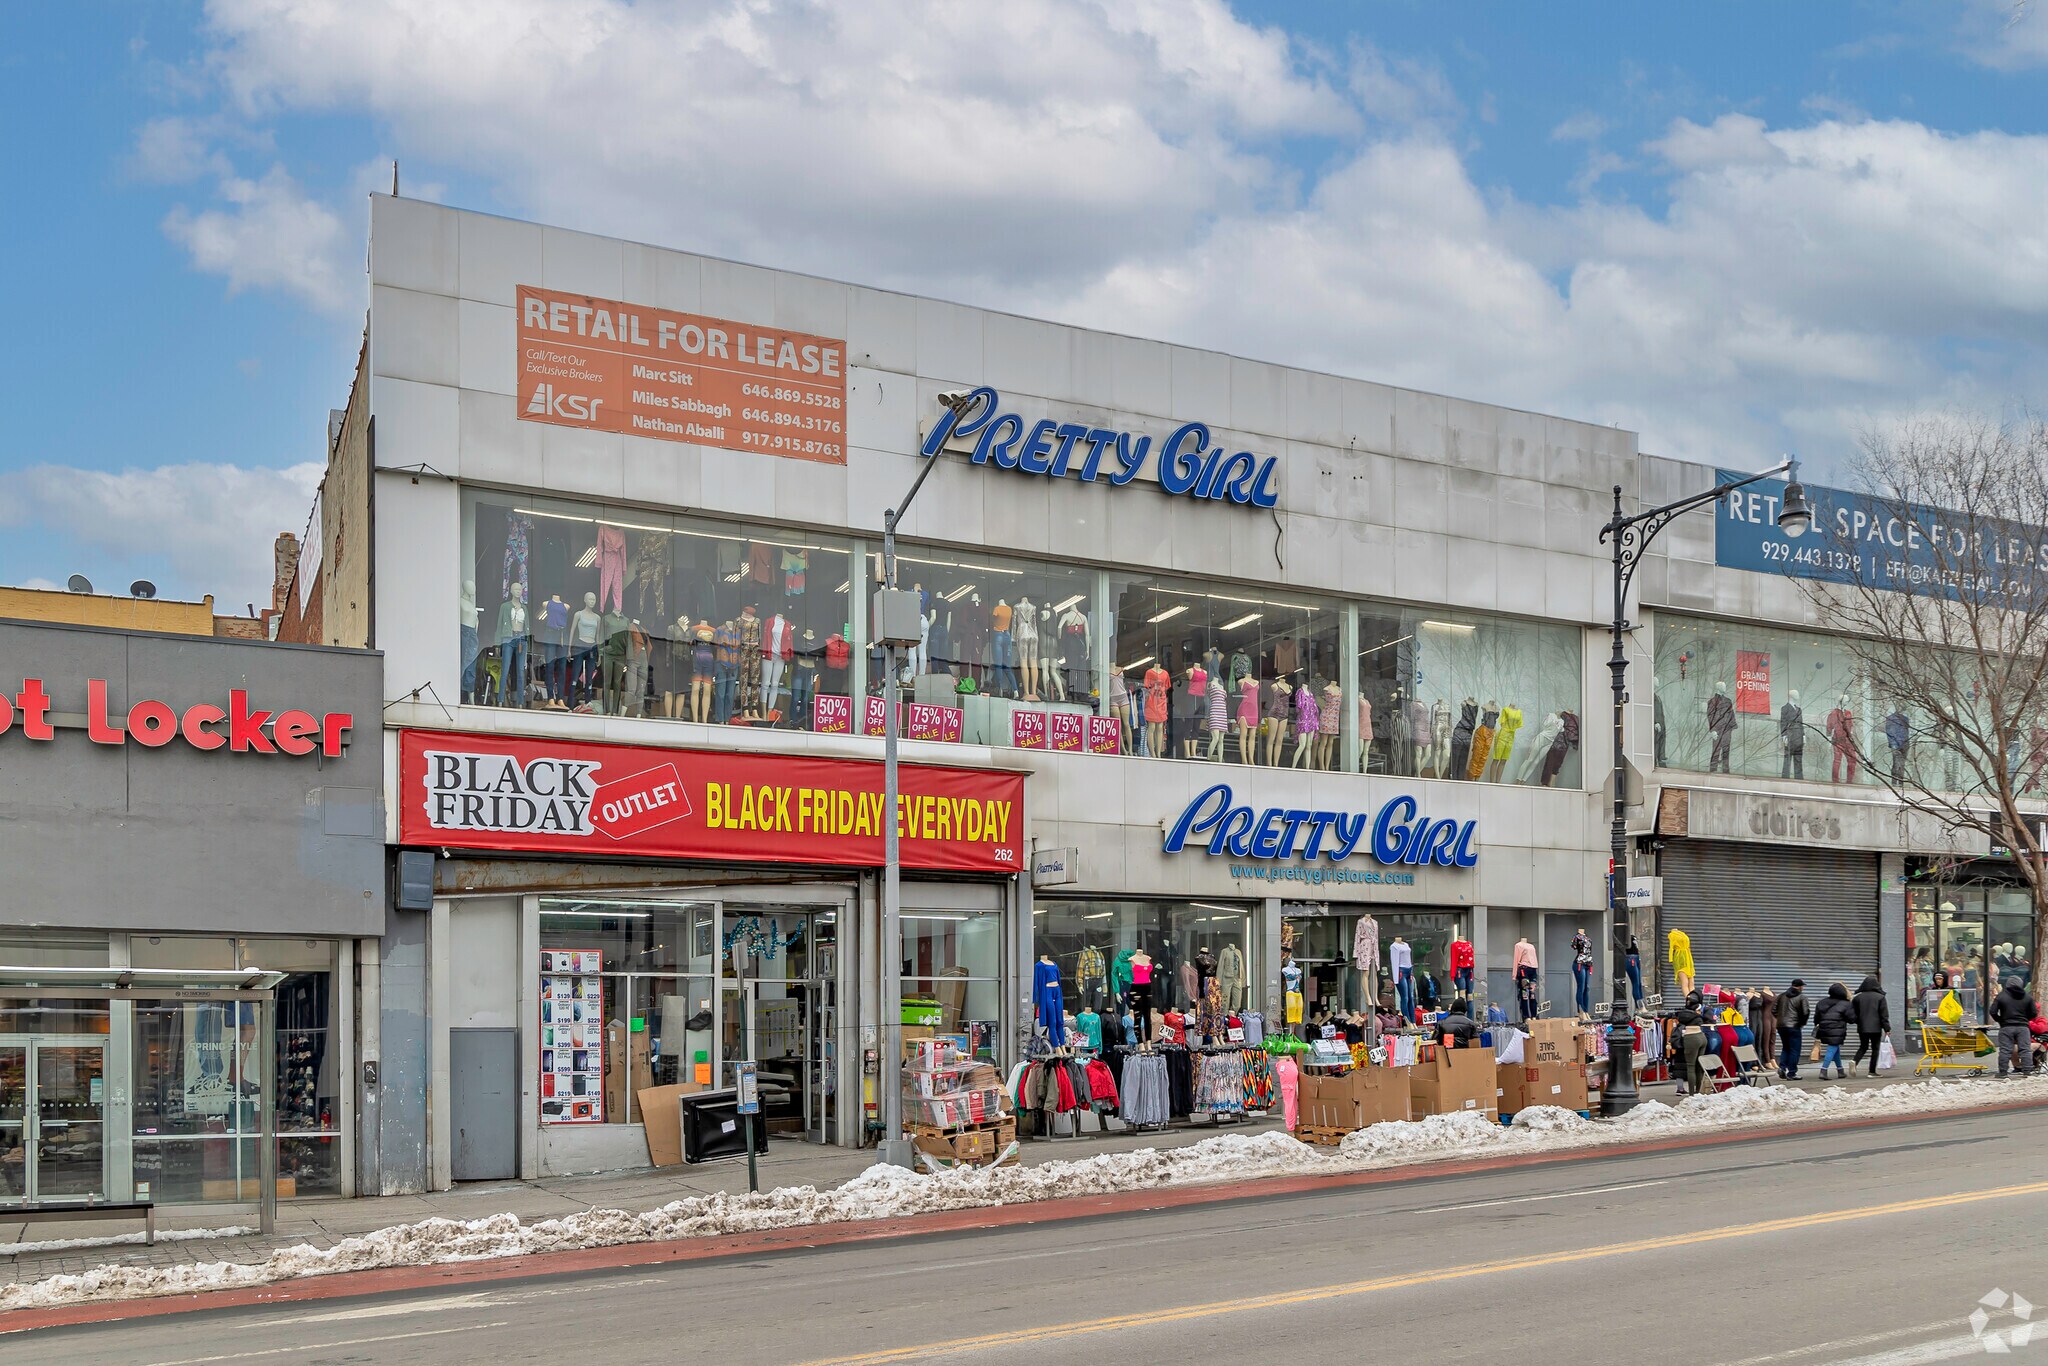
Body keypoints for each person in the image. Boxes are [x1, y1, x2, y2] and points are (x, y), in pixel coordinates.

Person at [1989, 975, 2039, 1078]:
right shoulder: (2027, 997)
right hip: (2023, 1028)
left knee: (2005, 1050)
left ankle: (2003, 1072)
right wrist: (2025, 1020)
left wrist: (2001, 1020)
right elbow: (2034, 1013)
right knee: (2025, 1049)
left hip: (2006, 1027)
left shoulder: (2002, 996)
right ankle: (2027, 1071)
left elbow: (1992, 1011)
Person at [1813, 982, 1855, 1080]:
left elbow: (1816, 1018)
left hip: (1823, 1029)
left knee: (1835, 1049)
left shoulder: (1821, 1002)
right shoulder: (1846, 1004)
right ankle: (1823, 1070)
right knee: (1832, 1048)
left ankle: (1840, 1071)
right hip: (1837, 1029)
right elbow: (1851, 1019)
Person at [1670, 991, 1709, 1095]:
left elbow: (1681, 1021)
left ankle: (1692, 1094)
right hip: (1702, 1036)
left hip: (1691, 1037)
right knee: (1699, 1066)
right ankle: (1698, 1092)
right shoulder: (1700, 1012)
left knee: (1690, 1066)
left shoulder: (1683, 1014)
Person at [1850, 975, 1891, 1076]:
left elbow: (1853, 1014)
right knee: (1875, 1049)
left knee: (1863, 1047)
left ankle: (1855, 1061)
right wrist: (1887, 1028)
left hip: (1862, 1027)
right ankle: (1872, 1071)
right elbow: (1883, 1015)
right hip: (1876, 1028)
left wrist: (1858, 1021)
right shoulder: (1880, 997)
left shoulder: (1857, 998)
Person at [1778, 978, 1809, 1080]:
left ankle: (1782, 1067)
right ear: (1800, 987)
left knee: (1785, 1047)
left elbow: (1774, 1009)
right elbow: (1805, 1012)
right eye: (1802, 986)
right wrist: (1801, 1023)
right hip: (1794, 1026)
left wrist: (1780, 1020)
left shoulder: (1781, 996)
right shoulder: (1801, 997)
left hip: (1781, 1026)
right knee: (1794, 1050)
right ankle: (1792, 1073)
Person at [1570, 928, 1594, 1016]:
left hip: (1588, 963)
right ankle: (1581, 1010)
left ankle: (1586, 1010)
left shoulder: (1588, 938)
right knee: (1581, 986)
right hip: (1579, 963)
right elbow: (1573, 946)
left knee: (1587, 988)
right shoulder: (1576, 937)